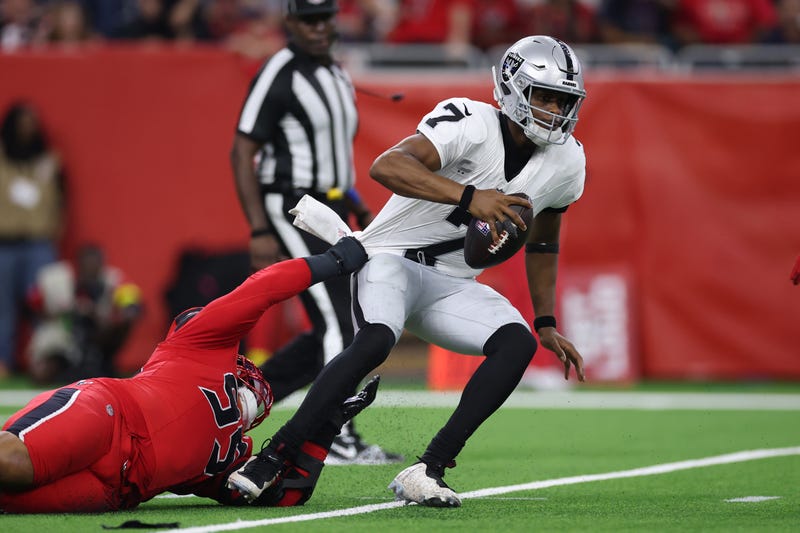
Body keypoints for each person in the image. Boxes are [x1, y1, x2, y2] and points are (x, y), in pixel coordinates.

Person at [226, 35, 587, 508]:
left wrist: (545, 321)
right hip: (389, 260)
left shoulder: (567, 160)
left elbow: (543, 238)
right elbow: (387, 165)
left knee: (515, 343)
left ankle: (428, 468)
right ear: (512, 87)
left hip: (452, 284)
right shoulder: (473, 123)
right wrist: (468, 196)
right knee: (375, 340)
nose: (554, 110)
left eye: (564, 100)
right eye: (544, 96)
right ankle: (274, 456)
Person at [0, 237, 376, 513]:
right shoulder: (200, 344)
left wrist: (326, 425)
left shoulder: (235, 455)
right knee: (13, 463)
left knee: (8, 498)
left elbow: (284, 494)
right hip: (107, 416)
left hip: (116, 490)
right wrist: (335, 260)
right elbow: (263, 288)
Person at [230, 0, 400, 465]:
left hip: (332, 206)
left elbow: (336, 153)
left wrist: (356, 206)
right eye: (309, 19)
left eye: (326, 17)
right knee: (339, 321)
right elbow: (242, 148)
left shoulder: (335, 72)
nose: (320, 28)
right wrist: (260, 228)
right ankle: (334, 435)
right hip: (291, 205)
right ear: (290, 22)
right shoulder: (279, 71)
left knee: (338, 321)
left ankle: (238, 405)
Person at [0, 101, 64, 380]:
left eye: (32, 124)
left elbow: (63, 200)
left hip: (39, 243)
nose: (28, 129)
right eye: (23, 123)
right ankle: (3, 362)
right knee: (4, 308)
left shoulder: (50, 161)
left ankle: (45, 362)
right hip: (5, 242)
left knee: (44, 306)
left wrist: (54, 228)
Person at [25, 243, 143, 384]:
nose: (92, 269)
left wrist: (120, 314)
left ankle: (103, 364)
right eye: (87, 264)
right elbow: (31, 305)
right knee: (41, 375)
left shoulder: (112, 278)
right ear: (77, 264)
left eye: (96, 265)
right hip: (62, 334)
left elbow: (132, 300)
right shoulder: (56, 279)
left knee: (125, 323)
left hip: (98, 336)